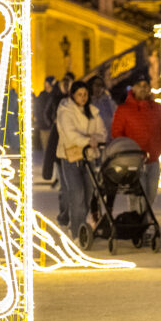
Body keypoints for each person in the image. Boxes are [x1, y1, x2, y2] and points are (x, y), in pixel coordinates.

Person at [110, 74, 161, 213]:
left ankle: (143, 221)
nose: (143, 89)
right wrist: (126, 151)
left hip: (153, 158)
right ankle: (138, 223)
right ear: (134, 89)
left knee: (151, 193)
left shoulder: (157, 108)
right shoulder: (124, 109)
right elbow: (117, 133)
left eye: (145, 86)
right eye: (140, 86)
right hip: (134, 160)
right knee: (138, 195)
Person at [55, 80, 105, 239]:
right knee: (77, 195)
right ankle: (77, 233)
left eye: (85, 94)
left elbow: (102, 131)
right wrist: (88, 141)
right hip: (71, 158)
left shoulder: (92, 111)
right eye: (79, 94)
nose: (83, 98)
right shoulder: (65, 111)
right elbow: (70, 134)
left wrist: (94, 139)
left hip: (88, 158)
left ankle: (82, 227)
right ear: (73, 95)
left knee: (88, 195)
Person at [89, 74, 116, 139]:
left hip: (110, 138)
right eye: (96, 84)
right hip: (96, 138)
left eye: (100, 85)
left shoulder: (109, 101)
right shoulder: (88, 103)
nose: (98, 87)